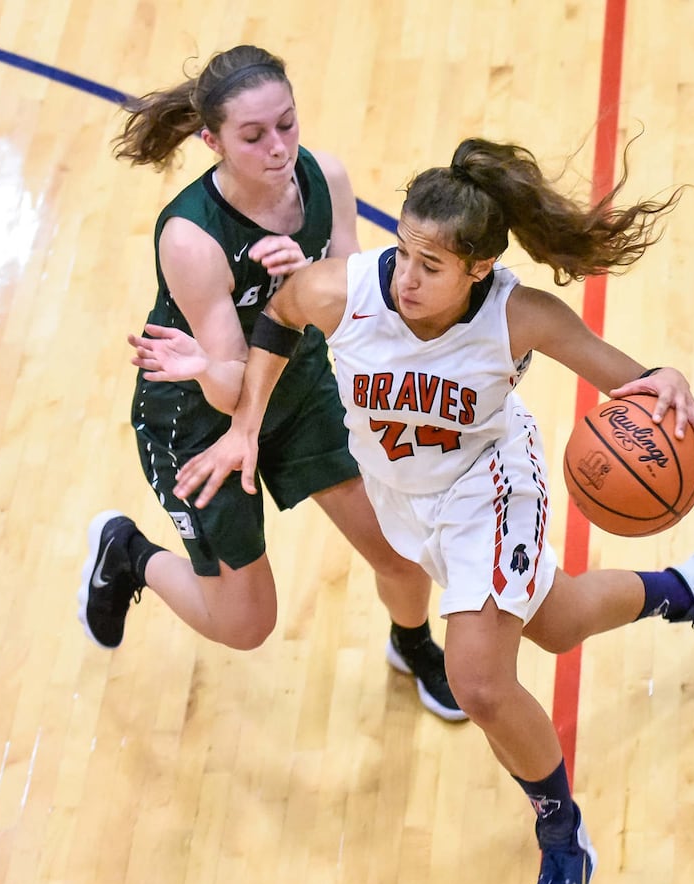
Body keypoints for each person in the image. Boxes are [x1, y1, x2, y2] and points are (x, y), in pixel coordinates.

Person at [137, 136, 694, 884]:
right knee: (560, 620)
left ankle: (564, 841)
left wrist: (667, 377)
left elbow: (630, 379)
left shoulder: (518, 317)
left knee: (481, 682)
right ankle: (692, 589)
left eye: (432, 264)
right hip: (406, 497)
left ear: (478, 269)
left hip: (491, 490)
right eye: (403, 251)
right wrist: (246, 426)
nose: (407, 275)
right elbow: (278, 318)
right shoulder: (342, 290)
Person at [77, 45, 468, 722]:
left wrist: (315, 280)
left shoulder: (327, 178)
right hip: (202, 418)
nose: (279, 147)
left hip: (300, 382)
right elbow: (232, 393)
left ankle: (412, 643)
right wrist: (231, 345)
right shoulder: (191, 238)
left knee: (403, 555)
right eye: (253, 137)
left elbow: (361, 308)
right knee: (246, 625)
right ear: (212, 141)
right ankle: (128, 554)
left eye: (287, 123)